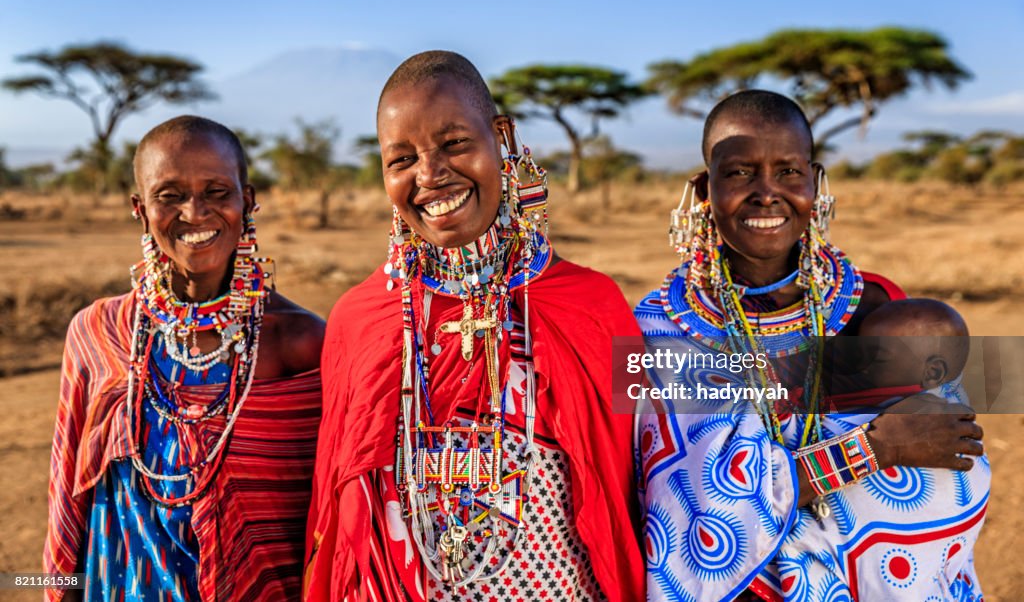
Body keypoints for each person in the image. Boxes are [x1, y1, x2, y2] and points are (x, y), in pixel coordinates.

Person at [304, 51, 643, 602]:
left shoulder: (590, 304)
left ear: (501, 137)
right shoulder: (358, 321)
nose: (431, 175)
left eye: (455, 143)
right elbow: (340, 517)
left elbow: (644, 479)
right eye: (401, 160)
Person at [634, 90, 989, 601]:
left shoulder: (875, 305)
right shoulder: (662, 327)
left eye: (788, 171)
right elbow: (693, 516)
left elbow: (947, 447)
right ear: (703, 188)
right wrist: (876, 447)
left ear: (816, 181)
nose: (766, 193)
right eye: (738, 173)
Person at [44, 116, 325, 601]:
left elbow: (328, 517)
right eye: (169, 194)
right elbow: (69, 495)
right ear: (140, 207)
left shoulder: (300, 343)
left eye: (217, 191)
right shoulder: (99, 332)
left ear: (248, 199)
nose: (194, 212)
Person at [830, 298, 971, 401]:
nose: (860, 366)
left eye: (877, 358)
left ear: (933, 373)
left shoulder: (919, 416)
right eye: (859, 354)